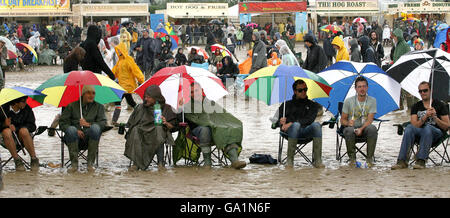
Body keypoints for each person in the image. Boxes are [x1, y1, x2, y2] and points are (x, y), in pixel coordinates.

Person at [180, 82, 246, 169]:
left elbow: (223, 117)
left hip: (215, 129)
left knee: (227, 128)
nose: (194, 94)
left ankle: (234, 161)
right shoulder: (187, 105)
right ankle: (207, 162)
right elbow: (180, 120)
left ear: (202, 91)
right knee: (205, 129)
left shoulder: (210, 103)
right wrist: (181, 107)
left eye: (196, 91)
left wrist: (228, 124)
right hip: (196, 131)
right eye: (191, 92)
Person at [391, 81, 450, 170]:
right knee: (409, 128)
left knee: (428, 128)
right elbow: (414, 124)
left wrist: (435, 118)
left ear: (431, 91)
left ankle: (421, 160)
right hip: (420, 132)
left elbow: (447, 126)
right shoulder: (416, 106)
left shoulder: (440, 105)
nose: (422, 93)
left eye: (425, 90)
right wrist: (425, 116)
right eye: (420, 91)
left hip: (436, 134)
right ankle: (402, 161)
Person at [125, 85, 177, 170]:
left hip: (157, 135)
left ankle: (160, 163)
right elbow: (130, 124)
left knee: (159, 129)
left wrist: (166, 122)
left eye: (148, 97)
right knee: (135, 130)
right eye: (145, 97)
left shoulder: (166, 108)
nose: (146, 99)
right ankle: (136, 163)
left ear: (156, 98)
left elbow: (173, 127)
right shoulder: (140, 107)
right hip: (142, 134)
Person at [59, 85, 107, 173]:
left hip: (90, 137)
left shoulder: (99, 107)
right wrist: (76, 129)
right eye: (88, 93)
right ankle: (74, 165)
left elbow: (103, 123)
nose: (91, 95)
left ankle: (90, 164)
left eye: (93, 93)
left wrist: (88, 124)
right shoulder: (71, 106)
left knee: (96, 128)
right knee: (71, 130)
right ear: (83, 94)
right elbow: (62, 123)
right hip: (73, 137)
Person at [277, 80, 324, 168]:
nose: (303, 92)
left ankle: (318, 161)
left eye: (305, 89)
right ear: (295, 91)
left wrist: (291, 123)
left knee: (317, 125)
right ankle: (290, 161)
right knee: (295, 126)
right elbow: (275, 123)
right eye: (300, 90)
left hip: (305, 131)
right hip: (290, 133)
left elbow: (309, 120)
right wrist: (280, 122)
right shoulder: (286, 105)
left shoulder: (312, 105)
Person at [340, 76, 378, 168]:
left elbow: (370, 120)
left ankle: (369, 159)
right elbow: (342, 120)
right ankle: (352, 160)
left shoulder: (372, 101)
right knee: (348, 130)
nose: (362, 89)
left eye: (364, 86)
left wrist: (361, 129)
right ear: (355, 88)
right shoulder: (348, 101)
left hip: (365, 129)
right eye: (359, 87)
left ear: (367, 87)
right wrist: (348, 123)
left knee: (373, 128)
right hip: (351, 128)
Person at [0, 96, 39, 171]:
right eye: (23, 101)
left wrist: (17, 128)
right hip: (6, 139)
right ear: (15, 103)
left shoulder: (27, 109)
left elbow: (32, 126)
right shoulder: (3, 109)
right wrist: (4, 124)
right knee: (6, 131)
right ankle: (17, 160)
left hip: (23, 137)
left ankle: (34, 159)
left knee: (23, 131)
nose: (25, 103)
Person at [111, 42, 145, 126]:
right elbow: (114, 72)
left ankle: (114, 121)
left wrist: (141, 79)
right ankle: (141, 114)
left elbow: (135, 70)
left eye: (119, 50)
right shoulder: (119, 61)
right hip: (122, 86)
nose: (118, 52)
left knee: (118, 101)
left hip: (127, 86)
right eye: (117, 50)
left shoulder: (129, 60)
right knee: (131, 102)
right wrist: (107, 78)